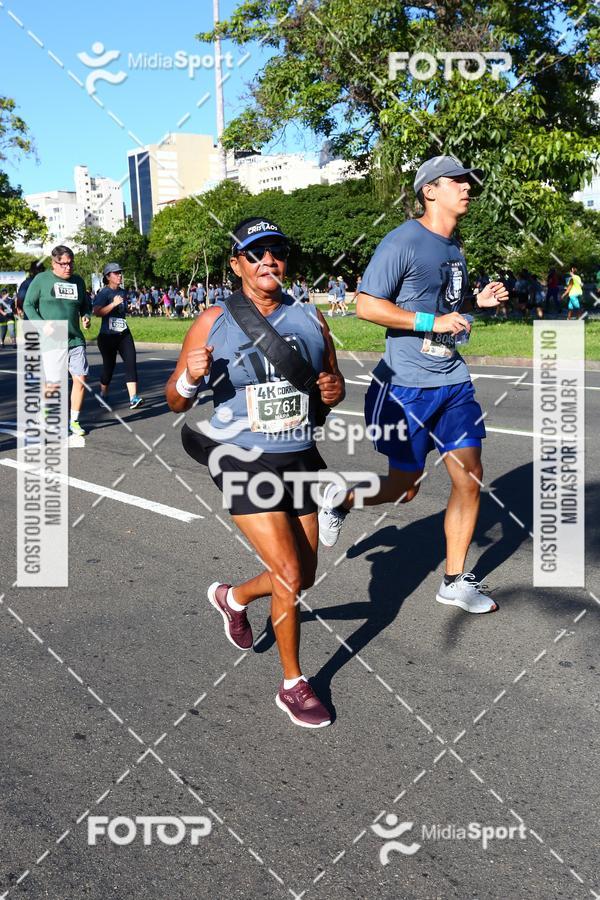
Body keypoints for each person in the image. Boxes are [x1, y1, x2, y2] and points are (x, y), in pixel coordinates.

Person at [166, 217, 345, 728]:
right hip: (240, 456)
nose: (268, 260)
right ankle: (293, 684)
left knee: (302, 576)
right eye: (255, 253)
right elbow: (175, 400)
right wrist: (190, 377)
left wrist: (333, 391)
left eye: (276, 251)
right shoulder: (213, 320)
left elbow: (331, 386)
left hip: (299, 455)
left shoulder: (311, 317)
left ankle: (234, 596)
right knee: (287, 573)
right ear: (236, 264)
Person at [318, 155, 509, 614]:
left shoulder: (454, 248)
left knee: (470, 476)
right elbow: (366, 305)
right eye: (457, 181)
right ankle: (342, 498)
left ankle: (454, 581)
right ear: (430, 190)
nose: (467, 187)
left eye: (468, 181)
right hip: (406, 387)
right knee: (406, 488)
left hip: (452, 380)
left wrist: (475, 302)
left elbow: (446, 308)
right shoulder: (403, 240)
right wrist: (431, 321)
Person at [23, 245, 92, 436]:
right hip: (52, 339)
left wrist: (86, 317)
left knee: (80, 379)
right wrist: (41, 325)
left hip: (75, 339)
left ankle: (74, 421)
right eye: (63, 264)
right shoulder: (41, 280)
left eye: (70, 263)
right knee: (54, 384)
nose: (68, 267)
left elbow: (85, 306)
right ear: (53, 263)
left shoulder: (78, 281)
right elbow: (28, 305)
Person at [92, 263, 144, 409]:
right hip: (107, 337)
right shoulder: (104, 293)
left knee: (131, 363)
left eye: (120, 272)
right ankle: (103, 395)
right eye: (116, 273)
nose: (120, 275)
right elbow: (97, 312)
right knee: (109, 368)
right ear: (108, 277)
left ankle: (133, 398)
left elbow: (122, 311)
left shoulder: (123, 292)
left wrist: (131, 309)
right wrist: (113, 304)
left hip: (124, 334)